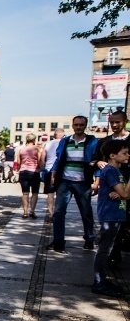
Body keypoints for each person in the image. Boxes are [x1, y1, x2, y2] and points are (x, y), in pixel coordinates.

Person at [49, 116, 99, 253]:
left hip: (82, 182)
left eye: (81, 125)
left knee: (86, 212)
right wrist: (54, 173)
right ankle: (59, 241)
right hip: (65, 181)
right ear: (72, 126)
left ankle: (89, 238)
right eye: (76, 125)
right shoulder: (65, 141)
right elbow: (59, 158)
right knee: (58, 212)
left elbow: (96, 161)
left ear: (85, 126)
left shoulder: (92, 141)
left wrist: (97, 181)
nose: (78, 127)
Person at [92, 110, 130, 264]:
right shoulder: (105, 141)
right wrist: (97, 163)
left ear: (125, 121)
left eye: (118, 122)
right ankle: (113, 255)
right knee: (114, 222)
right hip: (112, 187)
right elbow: (93, 160)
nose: (114, 125)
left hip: (125, 186)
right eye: (112, 122)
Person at [92, 140, 129, 297]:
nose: (128, 155)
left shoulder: (116, 170)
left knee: (107, 248)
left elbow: (123, 194)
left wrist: (121, 194)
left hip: (115, 215)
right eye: (125, 153)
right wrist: (123, 193)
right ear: (113, 155)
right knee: (104, 250)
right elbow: (126, 194)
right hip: (110, 216)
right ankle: (99, 282)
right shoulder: (111, 171)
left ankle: (102, 279)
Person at [17, 133, 44, 218]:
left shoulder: (21, 149)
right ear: (34, 140)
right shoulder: (37, 149)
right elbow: (40, 161)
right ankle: (32, 211)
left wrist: (18, 169)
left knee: (25, 193)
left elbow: (18, 162)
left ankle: (25, 212)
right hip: (34, 172)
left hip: (23, 171)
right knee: (35, 193)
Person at [42, 128, 66, 217]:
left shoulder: (48, 144)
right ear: (63, 135)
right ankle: (59, 212)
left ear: (54, 135)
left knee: (50, 193)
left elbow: (42, 158)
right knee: (61, 192)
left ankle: (50, 213)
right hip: (62, 170)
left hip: (49, 169)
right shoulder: (65, 143)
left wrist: (43, 168)